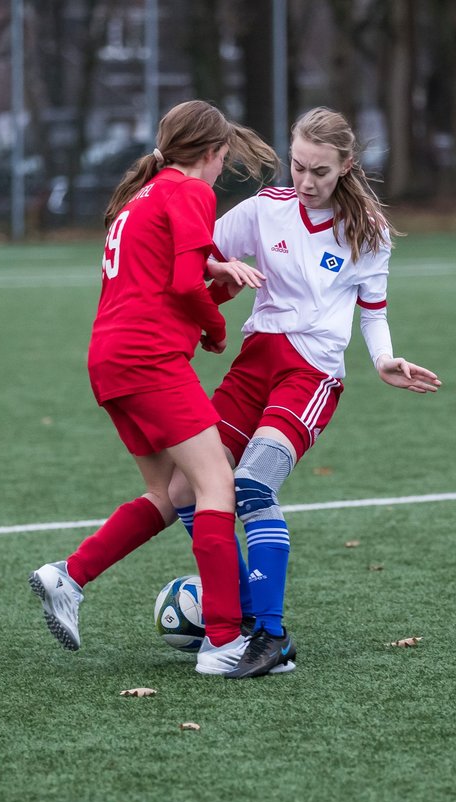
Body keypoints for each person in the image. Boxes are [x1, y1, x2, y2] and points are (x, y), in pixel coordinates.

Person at [171, 107, 441, 679]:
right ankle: (244, 608)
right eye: (297, 165)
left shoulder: (367, 230)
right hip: (254, 362)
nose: (306, 180)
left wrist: (383, 359)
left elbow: (373, 310)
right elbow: (200, 250)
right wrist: (211, 274)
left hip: (311, 373)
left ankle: (271, 635)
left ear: (345, 166)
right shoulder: (266, 209)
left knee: (250, 483)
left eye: (320, 170)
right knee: (185, 488)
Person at [29, 100, 278, 676]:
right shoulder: (191, 192)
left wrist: (219, 285)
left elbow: (172, 283)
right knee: (217, 481)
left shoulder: (145, 196)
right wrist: (217, 329)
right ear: (213, 155)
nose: (221, 173)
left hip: (110, 359)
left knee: (169, 493)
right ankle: (222, 642)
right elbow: (185, 282)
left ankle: (68, 576)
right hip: (150, 360)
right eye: (224, 161)